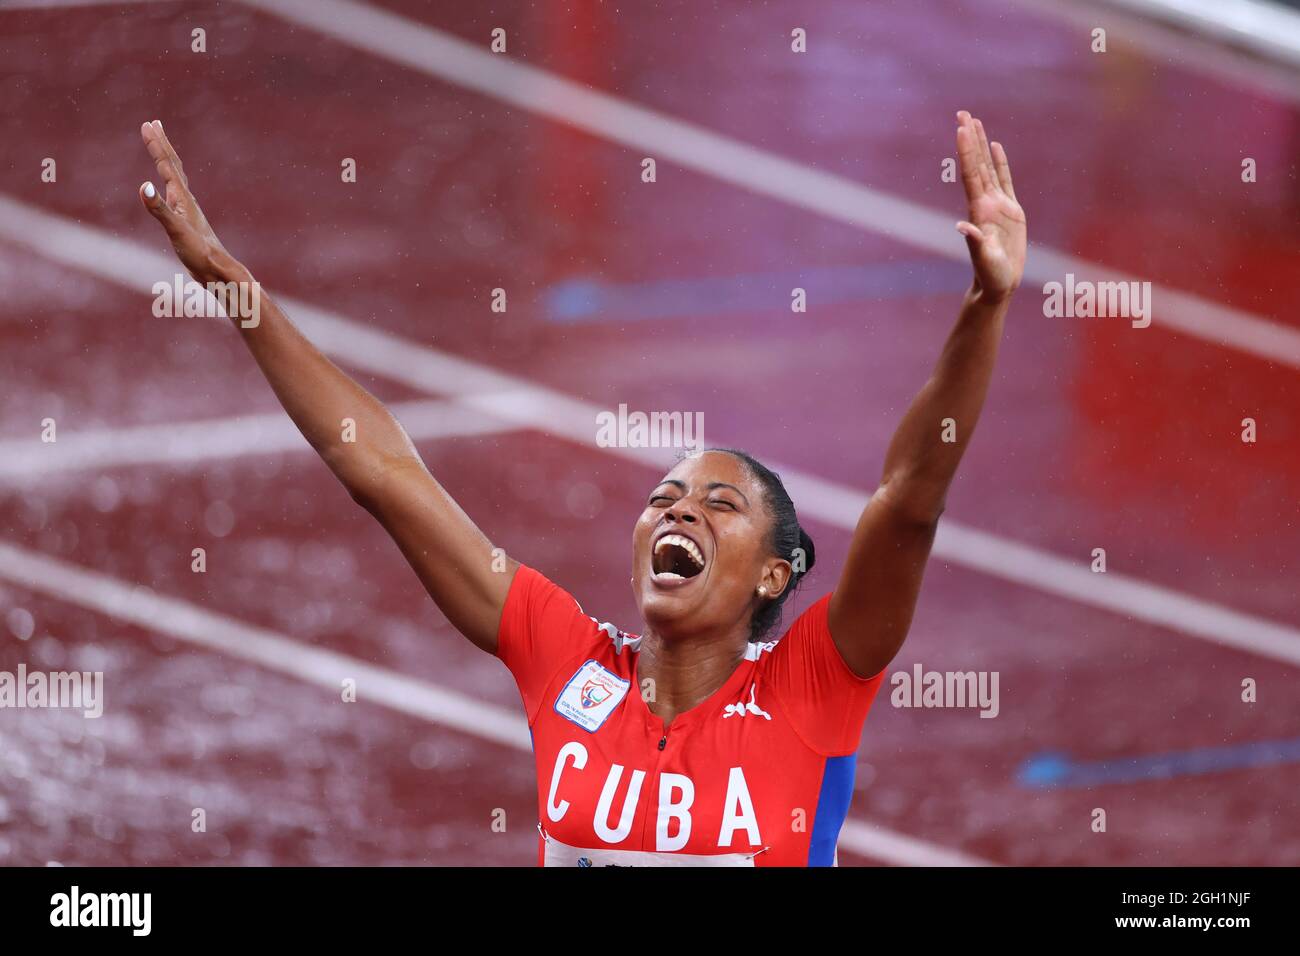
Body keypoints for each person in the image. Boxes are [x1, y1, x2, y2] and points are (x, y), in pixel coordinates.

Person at [136, 110, 1026, 865]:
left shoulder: (811, 688)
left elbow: (909, 498)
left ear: (773, 574)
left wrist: (984, 309)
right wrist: (235, 289)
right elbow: (383, 471)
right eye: (665, 498)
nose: (679, 510)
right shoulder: (566, 663)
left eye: (721, 504)